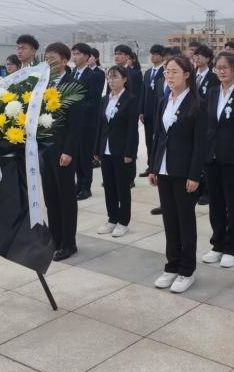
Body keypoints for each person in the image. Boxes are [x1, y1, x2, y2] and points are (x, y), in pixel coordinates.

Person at [149, 55, 206, 293]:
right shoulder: (164, 100)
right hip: (164, 169)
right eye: (166, 72)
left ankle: (186, 270)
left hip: (184, 171)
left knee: (185, 221)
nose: (169, 76)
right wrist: (154, 167)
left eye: (174, 72)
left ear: (187, 74)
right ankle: (171, 265)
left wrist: (194, 175)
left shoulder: (197, 104)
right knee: (169, 220)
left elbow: (200, 144)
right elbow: (158, 136)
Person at [201, 52, 234, 269]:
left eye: (225, 67)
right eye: (218, 68)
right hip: (212, 156)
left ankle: (232, 248)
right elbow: (208, 124)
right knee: (215, 202)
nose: (221, 71)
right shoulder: (212, 92)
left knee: (233, 204)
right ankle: (218, 244)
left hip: (233, 158)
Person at [41, 42, 81, 260]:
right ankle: (55, 239)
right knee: (50, 196)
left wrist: (69, 151)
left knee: (65, 198)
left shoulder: (73, 85)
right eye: (46, 58)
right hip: (45, 148)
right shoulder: (43, 83)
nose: (49, 62)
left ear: (65, 61)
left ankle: (68, 243)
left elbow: (76, 124)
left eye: (53, 59)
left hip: (63, 151)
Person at [94, 66, 139, 237]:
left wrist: (130, 153)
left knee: (122, 187)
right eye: (109, 77)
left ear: (124, 79)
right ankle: (112, 218)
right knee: (109, 186)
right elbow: (100, 126)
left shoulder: (130, 99)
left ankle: (123, 221)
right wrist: (97, 149)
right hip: (105, 149)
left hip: (121, 151)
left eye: (115, 77)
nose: (111, 81)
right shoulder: (105, 99)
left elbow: (132, 129)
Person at [70, 43, 105, 200]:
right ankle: (78, 185)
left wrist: (75, 106)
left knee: (85, 156)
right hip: (74, 122)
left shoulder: (94, 75)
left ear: (86, 56)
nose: (75, 57)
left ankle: (86, 187)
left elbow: (94, 101)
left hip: (87, 123)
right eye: (74, 54)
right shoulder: (72, 73)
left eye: (78, 54)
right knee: (76, 156)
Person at [139, 45, 167, 178]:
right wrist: (141, 110)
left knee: (158, 140)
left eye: (156, 54)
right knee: (148, 141)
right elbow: (143, 92)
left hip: (159, 113)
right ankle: (150, 165)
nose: (153, 57)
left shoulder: (165, 71)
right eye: (152, 54)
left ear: (162, 56)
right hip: (148, 112)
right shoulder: (148, 72)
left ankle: (157, 166)